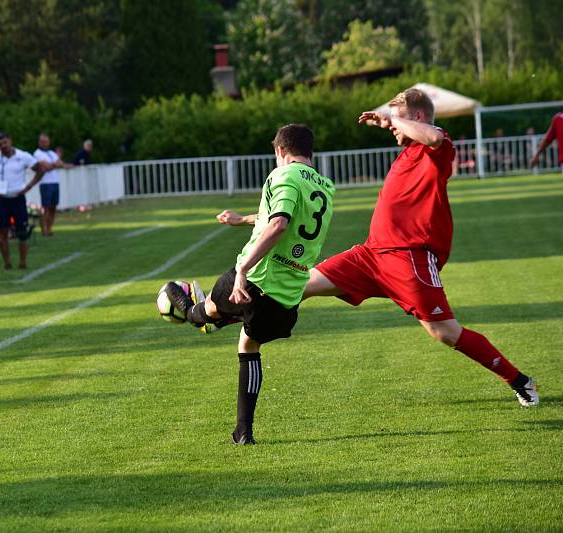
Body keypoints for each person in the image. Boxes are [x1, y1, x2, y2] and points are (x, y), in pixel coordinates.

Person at [296, 88, 537, 407]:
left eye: (400, 119)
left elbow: (434, 138)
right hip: (370, 255)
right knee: (299, 285)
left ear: (419, 117)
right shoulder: (407, 152)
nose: (393, 127)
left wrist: (392, 118)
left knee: (444, 332)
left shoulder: (438, 146)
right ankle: (219, 315)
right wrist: (394, 121)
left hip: (409, 257)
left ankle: (520, 381)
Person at [165, 124, 335, 445]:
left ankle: (196, 313)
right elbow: (279, 216)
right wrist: (241, 219)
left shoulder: (283, 176)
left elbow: (279, 224)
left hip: (256, 281)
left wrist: (243, 267)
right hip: (288, 299)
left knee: (209, 308)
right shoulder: (326, 187)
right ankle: (243, 432)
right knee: (249, 344)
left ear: (280, 151)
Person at [0, 132, 49, 269]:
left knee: (22, 232)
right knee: (2, 232)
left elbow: (40, 170)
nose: (3, 146)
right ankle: (7, 263)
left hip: (18, 198)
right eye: (0, 144)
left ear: (10, 140)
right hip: (2, 199)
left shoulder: (23, 156)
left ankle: (23, 262)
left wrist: (28, 186)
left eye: (5, 142)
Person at [33, 133, 67, 237]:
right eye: (42, 141)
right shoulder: (37, 153)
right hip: (45, 183)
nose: (45, 143)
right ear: (39, 142)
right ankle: (44, 230)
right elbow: (46, 167)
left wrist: (53, 164)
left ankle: (49, 229)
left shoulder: (51, 153)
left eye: (46, 141)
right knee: (45, 208)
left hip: (55, 182)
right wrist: (54, 164)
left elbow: (61, 164)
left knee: (53, 207)